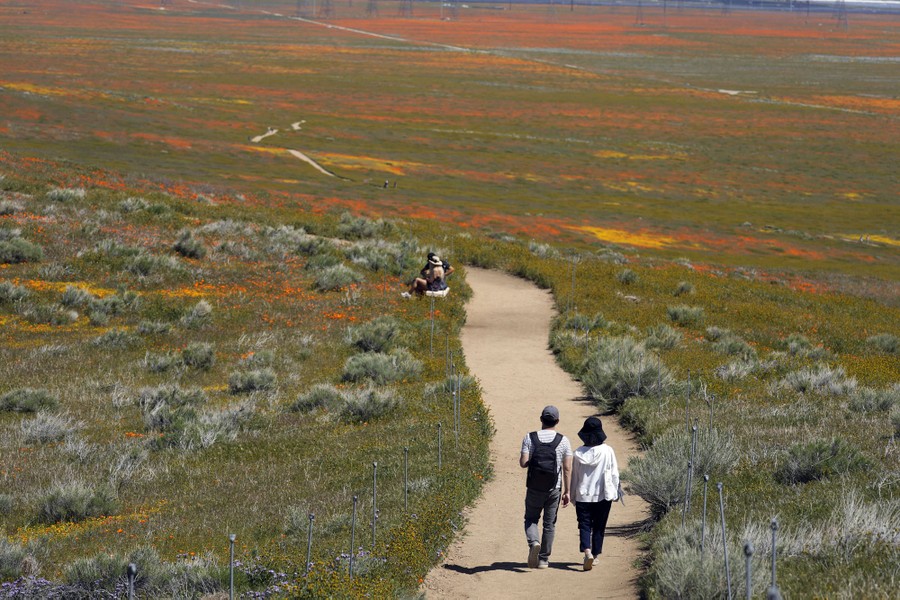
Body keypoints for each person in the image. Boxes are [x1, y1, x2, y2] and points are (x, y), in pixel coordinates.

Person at [519, 405, 573, 569]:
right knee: (549, 524)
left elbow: (523, 463)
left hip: (534, 486)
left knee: (531, 518)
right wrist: (567, 492)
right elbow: (567, 468)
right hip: (554, 488)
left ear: (541, 419)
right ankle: (543, 559)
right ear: (557, 421)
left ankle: (534, 542)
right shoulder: (563, 440)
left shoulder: (530, 437)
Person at [571, 416, 620, 572]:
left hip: (583, 496)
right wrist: (616, 491)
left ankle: (587, 551)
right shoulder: (607, 451)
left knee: (584, 525)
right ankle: (596, 555)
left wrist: (572, 495)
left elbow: (574, 476)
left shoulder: (578, 453)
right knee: (599, 526)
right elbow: (614, 473)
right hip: (603, 495)